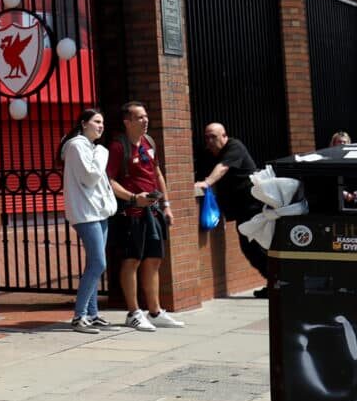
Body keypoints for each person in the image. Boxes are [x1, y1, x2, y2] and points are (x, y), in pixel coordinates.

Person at [106, 102, 184, 331]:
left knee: (154, 259)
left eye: (146, 116)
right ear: (127, 122)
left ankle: (155, 311)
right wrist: (132, 197)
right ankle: (133, 313)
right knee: (132, 260)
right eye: (139, 117)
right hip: (131, 212)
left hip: (154, 211)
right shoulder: (118, 147)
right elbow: (109, 180)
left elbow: (157, 174)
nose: (145, 120)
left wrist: (167, 205)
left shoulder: (149, 142)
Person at [61, 107, 118, 333]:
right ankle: (79, 316)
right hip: (86, 214)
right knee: (98, 263)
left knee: (93, 264)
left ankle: (92, 314)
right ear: (84, 123)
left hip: (98, 212)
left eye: (102, 122)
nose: (100, 126)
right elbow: (90, 177)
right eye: (96, 121)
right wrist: (102, 152)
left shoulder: (91, 148)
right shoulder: (77, 146)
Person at [195, 123, 267, 294]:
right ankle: (275, 283)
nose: (209, 141)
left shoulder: (234, 146)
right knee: (251, 247)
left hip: (253, 205)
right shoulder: (209, 154)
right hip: (241, 208)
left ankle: (278, 283)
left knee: (254, 246)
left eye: (213, 136)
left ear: (224, 136)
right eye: (207, 137)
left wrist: (207, 182)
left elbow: (222, 168)